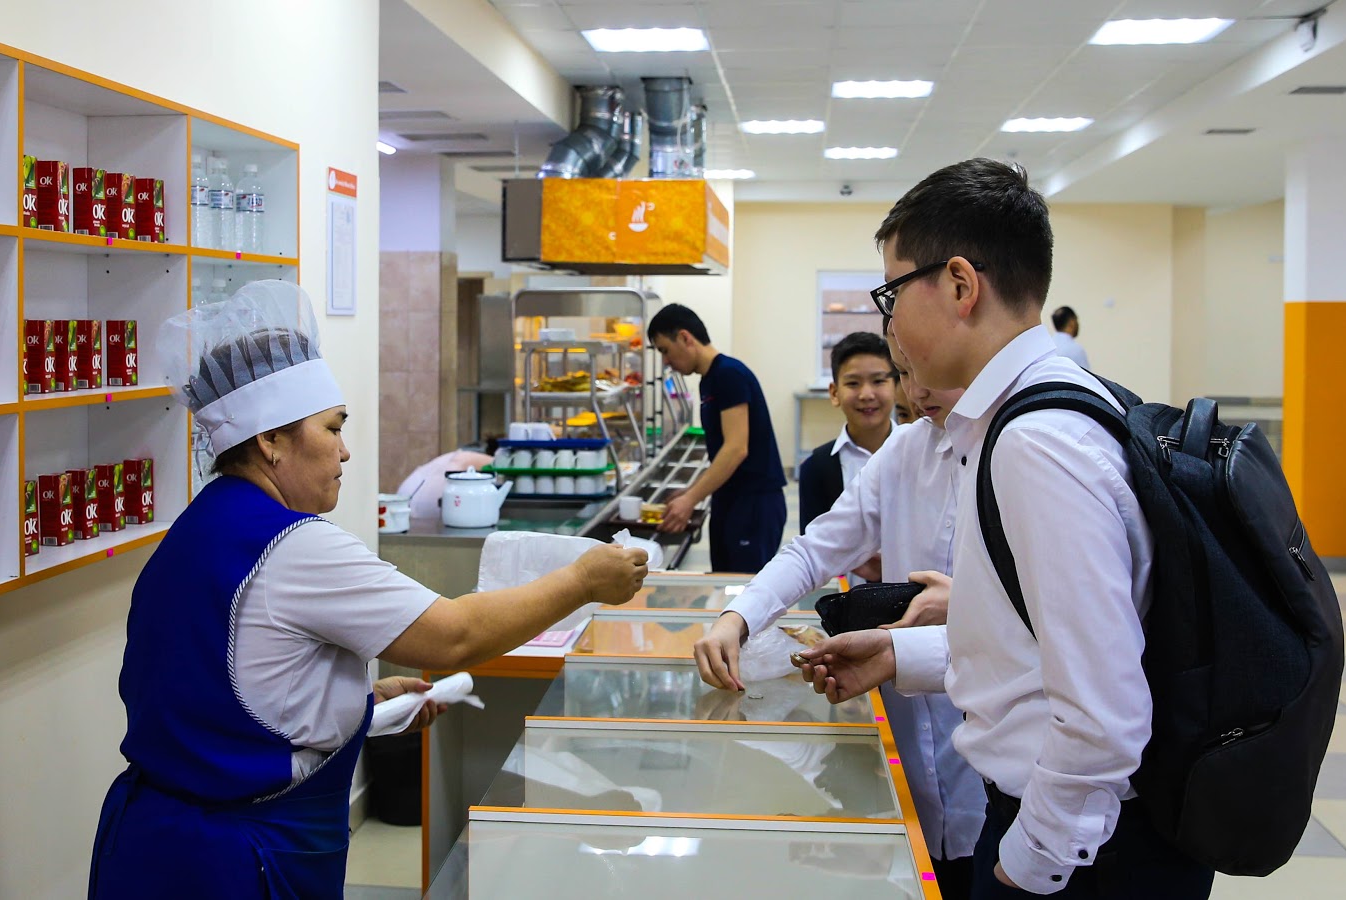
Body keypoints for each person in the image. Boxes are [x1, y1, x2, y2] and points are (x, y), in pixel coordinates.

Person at [88, 281, 648, 899]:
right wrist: (582, 580)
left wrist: (356, 703)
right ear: (270, 440)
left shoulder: (195, 529)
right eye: (332, 428)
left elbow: (219, 687)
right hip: (241, 864)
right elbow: (454, 636)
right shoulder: (295, 546)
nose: (346, 450)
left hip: (145, 848)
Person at [797, 160, 1214, 898]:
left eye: (893, 293)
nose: (890, 323)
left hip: (1078, 850)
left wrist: (1028, 865)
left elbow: (1102, 711)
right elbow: (1037, 646)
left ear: (960, 284)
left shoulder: (1035, 443)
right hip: (1082, 831)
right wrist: (900, 653)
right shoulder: (1055, 405)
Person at [695, 329, 985, 897]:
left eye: (919, 371)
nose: (915, 391)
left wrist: (965, 606)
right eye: (905, 373)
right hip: (910, 742)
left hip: (987, 762)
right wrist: (738, 618)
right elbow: (815, 549)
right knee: (929, 869)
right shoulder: (905, 452)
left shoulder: (1015, 450)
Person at [648, 303, 787, 573]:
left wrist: (690, 499)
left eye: (665, 350)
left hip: (753, 504)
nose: (665, 361)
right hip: (730, 499)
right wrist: (690, 491)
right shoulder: (710, 379)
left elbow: (736, 449)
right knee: (723, 583)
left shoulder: (729, 374)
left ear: (685, 338)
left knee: (744, 587)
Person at [798, 331, 896, 532]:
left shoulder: (920, 454)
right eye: (853, 383)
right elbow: (812, 542)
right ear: (834, 393)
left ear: (896, 387)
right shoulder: (816, 468)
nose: (866, 395)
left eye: (878, 381)